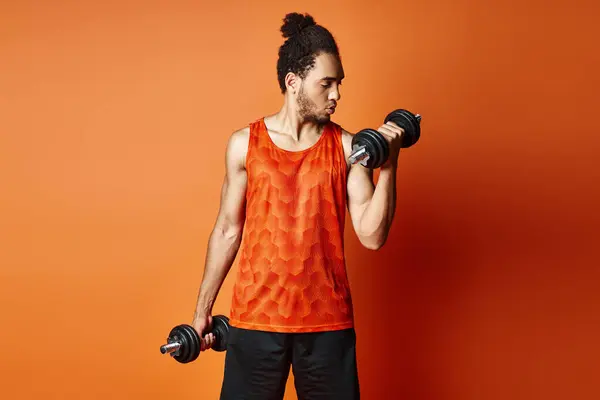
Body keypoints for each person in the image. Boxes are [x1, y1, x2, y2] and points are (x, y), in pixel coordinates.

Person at [191, 12, 404, 400]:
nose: (337, 94)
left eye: (339, 83)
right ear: (293, 82)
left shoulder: (347, 148)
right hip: (255, 321)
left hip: (327, 326)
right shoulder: (245, 144)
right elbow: (227, 229)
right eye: (327, 83)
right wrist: (202, 309)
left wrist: (388, 166)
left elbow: (372, 236)